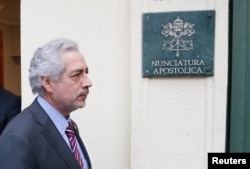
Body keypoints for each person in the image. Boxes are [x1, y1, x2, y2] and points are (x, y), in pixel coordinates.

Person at [0, 38, 92, 169]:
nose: (88, 82)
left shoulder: (67, 127)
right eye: (76, 75)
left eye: (86, 73)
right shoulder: (18, 138)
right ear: (48, 83)